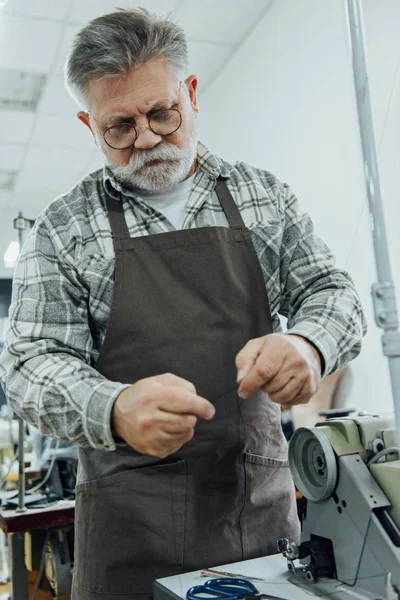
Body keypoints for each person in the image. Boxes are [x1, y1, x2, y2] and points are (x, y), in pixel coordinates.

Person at [0, 8, 367, 600]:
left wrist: (307, 344)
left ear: (191, 94)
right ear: (88, 124)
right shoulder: (64, 226)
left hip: (258, 522)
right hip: (129, 538)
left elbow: (333, 292)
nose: (145, 137)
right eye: (118, 126)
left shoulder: (262, 197)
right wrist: (113, 406)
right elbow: (27, 364)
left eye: (161, 113)